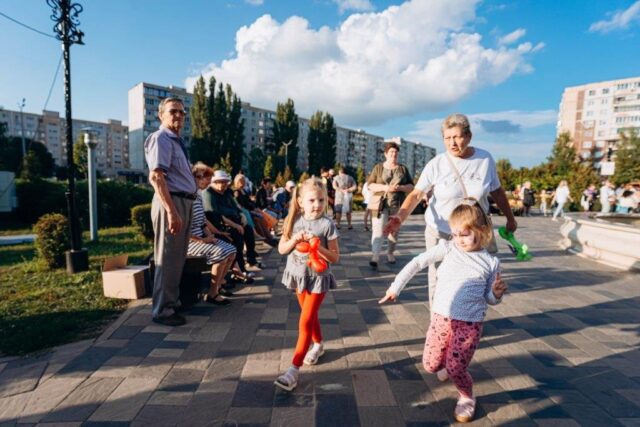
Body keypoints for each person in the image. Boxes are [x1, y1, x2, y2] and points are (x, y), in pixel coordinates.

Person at [379, 199, 507, 423]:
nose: (459, 239)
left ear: (482, 230)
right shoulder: (448, 248)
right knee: (431, 365)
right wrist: (395, 287)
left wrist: (496, 294)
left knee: (456, 368)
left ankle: (466, 396)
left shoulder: (490, 262)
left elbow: (488, 298)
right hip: (441, 319)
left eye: (464, 234)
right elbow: (417, 262)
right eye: (455, 234)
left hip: (469, 324)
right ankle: (449, 363)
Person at [384, 113, 516, 307]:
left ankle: (467, 317)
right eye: (447, 138)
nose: (452, 142)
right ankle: (439, 319)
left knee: (474, 277)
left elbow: (497, 192)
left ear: (468, 136)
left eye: (457, 137)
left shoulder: (485, 159)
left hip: (473, 232)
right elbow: (416, 194)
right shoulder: (436, 164)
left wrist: (510, 218)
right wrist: (400, 217)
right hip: (442, 231)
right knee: (438, 278)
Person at [274, 178, 340, 392]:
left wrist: (317, 246)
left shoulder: (327, 224)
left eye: (321, 200)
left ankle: (293, 371)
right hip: (298, 276)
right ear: (300, 201)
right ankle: (318, 344)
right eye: (312, 200)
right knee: (309, 316)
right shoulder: (292, 220)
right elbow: (282, 249)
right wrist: (295, 239)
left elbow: (335, 257)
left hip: (318, 278)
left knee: (304, 321)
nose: (317, 205)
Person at [144, 97, 196, 327]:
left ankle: (171, 303)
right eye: (173, 111)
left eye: (182, 112)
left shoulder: (175, 141)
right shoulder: (161, 138)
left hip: (182, 201)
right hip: (172, 203)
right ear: (161, 115)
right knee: (167, 258)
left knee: (176, 258)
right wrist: (172, 212)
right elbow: (156, 177)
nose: (178, 115)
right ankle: (163, 311)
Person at [188, 163, 236, 305]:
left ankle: (217, 287)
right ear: (197, 177)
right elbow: (184, 230)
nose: (209, 182)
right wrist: (202, 240)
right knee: (221, 253)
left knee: (231, 251)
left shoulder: (198, 196)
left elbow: (203, 222)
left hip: (201, 237)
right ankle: (212, 294)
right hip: (189, 242)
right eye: (207, 179)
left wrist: (211, 236)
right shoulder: (187, 198)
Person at [203, 170, 262, 271]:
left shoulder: (226, 192)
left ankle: (251, 260)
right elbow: (217, 216)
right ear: (214, 182)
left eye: (226, 182)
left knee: (249, 230)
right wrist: (235, 225)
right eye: (222, 182)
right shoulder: (209, 193)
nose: (225, 184)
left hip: (235, 221)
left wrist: (241, 214)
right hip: (221, 226)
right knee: (237, 236)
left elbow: (235, 206)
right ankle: (240, 268)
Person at [367, 142, 414, 268]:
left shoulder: (403, 169)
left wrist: (400, 188)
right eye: (391, 152)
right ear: (386, 154)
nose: (394, 154)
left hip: (397, 204)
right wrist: (385, 187)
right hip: (380, 205)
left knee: (394, 231)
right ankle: (375, 256)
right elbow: (370, 185)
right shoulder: (378, 167)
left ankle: (390, 253)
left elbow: (411, 187)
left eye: (396, 152)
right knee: (378, 230)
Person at [233, 174, 278, 247]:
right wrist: (253, 208)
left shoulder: (243, 191)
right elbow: (242, 205)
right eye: (242, 181)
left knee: (261, 219)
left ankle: (269, 238)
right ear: (237, 182)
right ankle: (266, 239)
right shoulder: (237, 192)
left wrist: (254, 207)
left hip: (250, 210)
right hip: (245, 211)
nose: (243, 183)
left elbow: (250, 202)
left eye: (244, 181)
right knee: (258, 219)